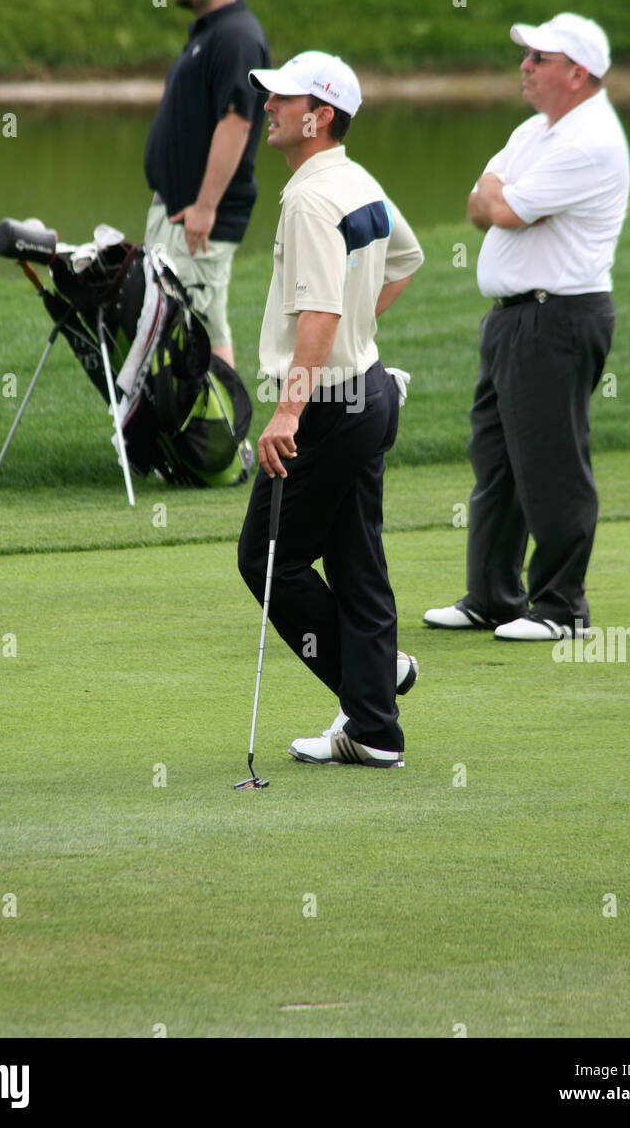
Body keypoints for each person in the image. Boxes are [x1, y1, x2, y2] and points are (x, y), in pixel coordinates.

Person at [237, 52, 424, 768]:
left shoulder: (311, 197)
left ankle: (370, 692)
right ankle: (375, 724)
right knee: (356, 563)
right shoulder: (357, 179)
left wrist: (286, 413)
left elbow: (317, 312)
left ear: (318, 116)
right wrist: (355, 332)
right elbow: (406, 260)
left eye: (281, 99)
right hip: (367, 390)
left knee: (267, 561)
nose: (268, 108)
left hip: (326, 405)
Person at [424, 13, 630, 642]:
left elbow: (503, 207)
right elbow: (477, 205)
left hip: (559, 317)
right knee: (497, 460)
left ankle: (563, 608)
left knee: (550, 462)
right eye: (527, 56)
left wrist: (502, 198)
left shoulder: (587, 139)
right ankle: (493, 597)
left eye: (539, 57)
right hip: (515, 318)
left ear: (578, 72)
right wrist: (500, 199)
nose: (525, 66)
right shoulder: (537, 130)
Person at [143, 0, 270, 368]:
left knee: (198, 329)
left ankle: (224, 436)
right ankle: (197, 434)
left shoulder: (235, 36)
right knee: (185, 328)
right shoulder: (212, 32)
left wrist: (205, 207)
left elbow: (236, 123)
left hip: (197, 217)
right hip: (180, 212)